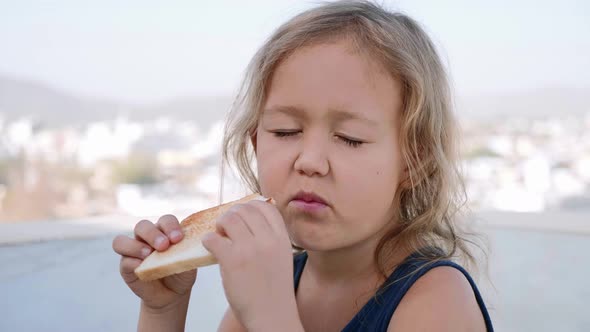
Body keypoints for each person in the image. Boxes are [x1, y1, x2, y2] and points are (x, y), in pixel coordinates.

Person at [112, 1, 494, 331]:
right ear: (255, 142)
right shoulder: (279, 282)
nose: (309, 162)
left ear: (415, 160)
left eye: (350, 139)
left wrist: (271, 318)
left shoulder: (437, 301)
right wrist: (162, 310)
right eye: (285, 130)